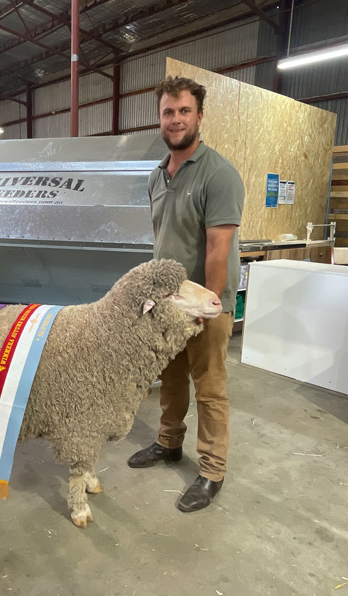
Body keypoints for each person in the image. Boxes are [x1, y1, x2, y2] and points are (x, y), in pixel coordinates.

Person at [127, 76, 245, 513]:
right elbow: (162, 242)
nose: (175, 120)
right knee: (170, 380)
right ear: (160, 118)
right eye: (168, 112)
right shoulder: (158, 175)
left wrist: (207, 307)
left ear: (199, 115)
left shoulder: (220, 174)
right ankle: (168, 444)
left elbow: (218, 249)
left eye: (184, 111)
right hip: (168, 305)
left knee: (209, 387)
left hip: (205, 306)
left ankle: (212, 471)